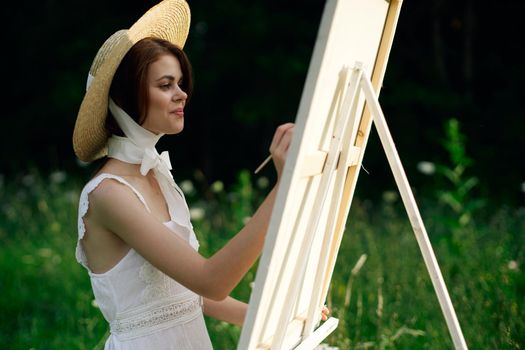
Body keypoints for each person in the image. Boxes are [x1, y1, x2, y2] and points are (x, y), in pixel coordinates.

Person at [71, 1, 323, 349]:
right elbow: (211, 281)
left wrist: (276, 320)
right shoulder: (108, 194)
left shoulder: (159, 175)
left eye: (180, 82)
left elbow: (193, 294)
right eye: (166, 85)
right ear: (125, 98)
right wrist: (284, 187)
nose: (182, 94)